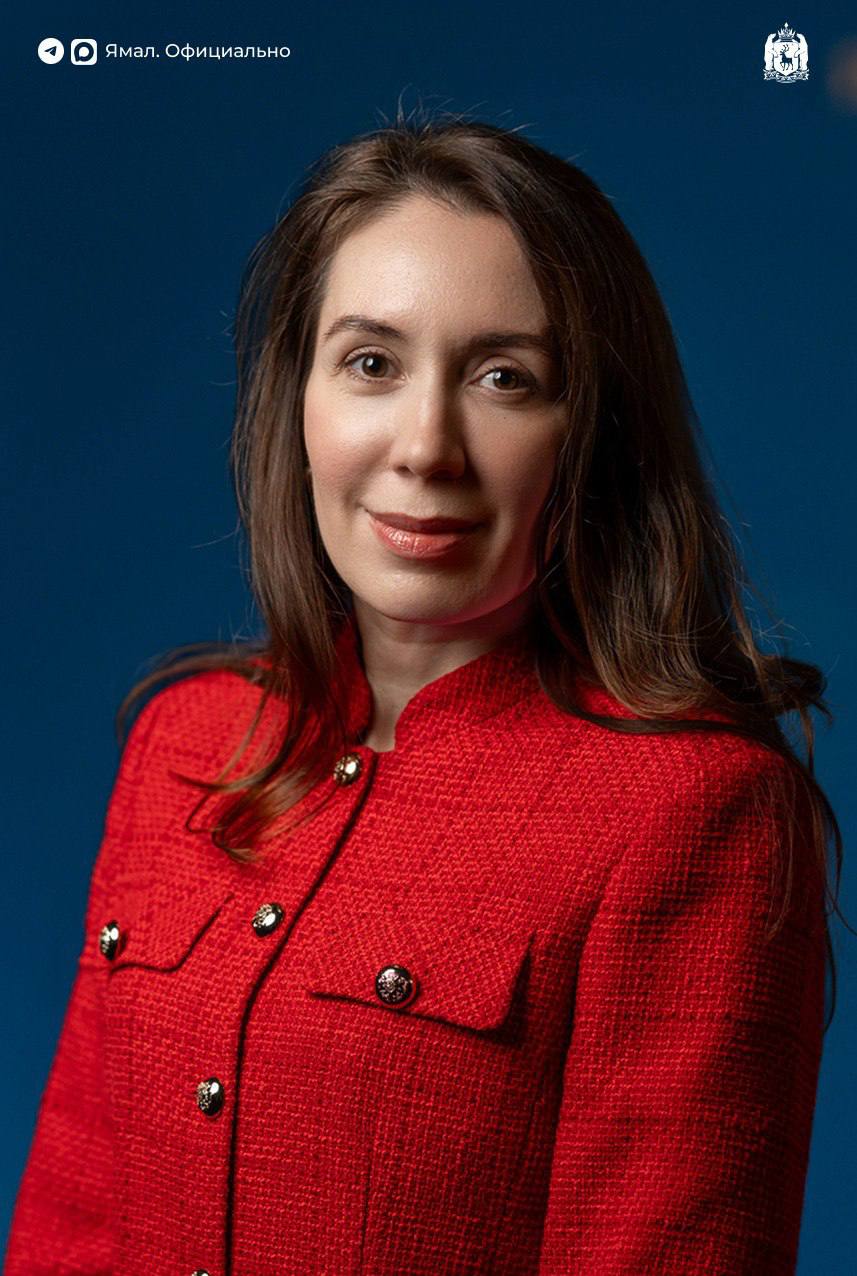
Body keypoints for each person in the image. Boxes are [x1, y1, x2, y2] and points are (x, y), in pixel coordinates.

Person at [3, 108, 843, 1276]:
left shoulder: (693, 810)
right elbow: (68, 1226)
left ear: (591, 432)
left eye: (504, 377)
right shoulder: (183, 741)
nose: (424, 445)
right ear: (297, 397)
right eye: (371, 363)